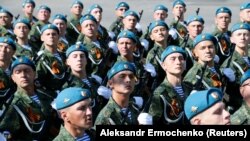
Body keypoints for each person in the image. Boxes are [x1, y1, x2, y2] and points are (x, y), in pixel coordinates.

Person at [0, 56, 60, 140]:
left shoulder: (49, 96)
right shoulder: (13, 105)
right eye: (18, 72)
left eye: (27, 71)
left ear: (35, 75)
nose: (23, 75)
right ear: (13, 78)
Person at [148, 45, 192, 125]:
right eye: (173, 59)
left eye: (181, 58)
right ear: (164, 65)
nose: (178, 62)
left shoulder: (189, 89)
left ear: (185, 64)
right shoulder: (160, 93)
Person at [63, 43, 106, 121]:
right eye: (74, 56)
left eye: (82, 56)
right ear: (67, 62)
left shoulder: (94, 82)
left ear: (86, 60)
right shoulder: (67, 86)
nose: (79, 59)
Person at [221, 23, 250, 112]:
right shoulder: (229, 64)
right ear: (232, 39)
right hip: (240, 109)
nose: (242, 37)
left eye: (246, 34)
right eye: (239, 34)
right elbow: (226, 94)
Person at [35, 24, 67, 99]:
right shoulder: (41, 58)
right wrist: (52, 96)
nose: (51, 36)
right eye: (47, 34)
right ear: (42, 38)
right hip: (51, 98)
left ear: (59, 37)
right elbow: (38, 84)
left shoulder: (64, 56)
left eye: (54, 34)